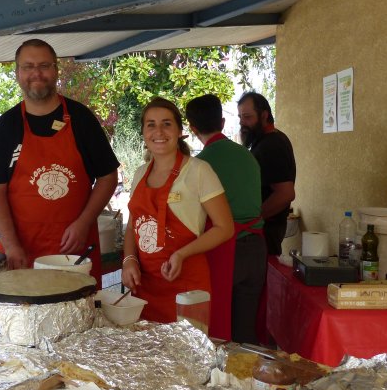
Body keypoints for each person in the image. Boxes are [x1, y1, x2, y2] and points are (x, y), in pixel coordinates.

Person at [0, 39, 119, 286]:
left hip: (75, 254)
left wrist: (84, 222)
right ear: (17, 73)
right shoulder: (6, 126)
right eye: (28, 66)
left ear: (56, 70)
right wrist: (11, 245)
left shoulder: (81, 119)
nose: (37, 73)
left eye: (44, 65)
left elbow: (107, 177)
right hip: (22, 254)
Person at [121, 97, 233, 323]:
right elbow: (134, 226)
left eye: (167, 124)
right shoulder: (140, 173)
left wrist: (181, 254)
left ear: (180, 131)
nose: (159, 131)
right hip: (145, 287)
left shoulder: (199, 171)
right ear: (143, 133)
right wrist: (129, 259)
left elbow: (225, 228)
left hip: (187, 288)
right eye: (151, 124)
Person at [185, 94, 265, 342]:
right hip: (256, 247)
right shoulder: (248, 156)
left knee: (219, 330)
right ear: (222, 122)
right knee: (246, 329)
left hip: (225, 250)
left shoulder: (199, 166)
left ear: (192, 128)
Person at [237, 92, 296, 256]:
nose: (242, 123)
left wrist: (253, 221)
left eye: (247, 117)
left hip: (265, 232)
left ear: (264, 115)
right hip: (264, 231)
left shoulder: (271, 145)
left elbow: (285, 194)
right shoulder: (268, 139)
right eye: (240, 117)